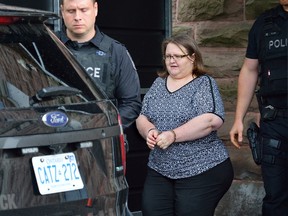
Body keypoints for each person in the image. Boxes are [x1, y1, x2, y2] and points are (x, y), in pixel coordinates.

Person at [57, 0, 142, 215]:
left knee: (104, 208)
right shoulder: (48, 47)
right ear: (62, 11)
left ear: (95, 9)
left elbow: (131, 103)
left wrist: (104, 129)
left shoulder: (115, 52)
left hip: (102, 148)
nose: (77, 16)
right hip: (52, 145)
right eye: (71, 10)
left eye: (83, 10)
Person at [136, 34, 234, 216]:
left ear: (192, 57)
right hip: (161, 168)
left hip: (202, 168)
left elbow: (211, 120)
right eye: (168, 56)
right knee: (151, 211)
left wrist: (173, 135)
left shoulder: (203, 83)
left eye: (178, 56)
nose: (172, 61)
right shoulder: (158, 84)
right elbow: (142, 117)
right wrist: (149, 131)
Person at [229, 1, 288, 215]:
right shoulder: (264, 23)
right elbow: (250, 69)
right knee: (275, 196)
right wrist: (238, 119)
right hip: (275, 123)